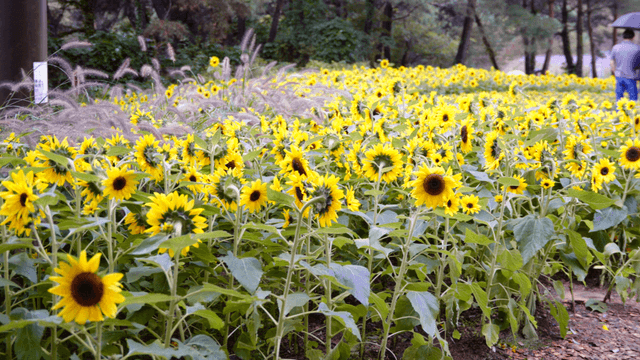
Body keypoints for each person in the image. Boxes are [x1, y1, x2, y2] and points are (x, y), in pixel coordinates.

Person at [610, 29, 640, 102]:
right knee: (633, 99)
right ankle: (633, 113)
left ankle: (618, 113)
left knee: (619, 99)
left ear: (623, 36)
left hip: (619, 76)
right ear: (633, 37)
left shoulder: (615, 47)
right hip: (631, 77)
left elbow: (611, 62)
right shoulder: (637, 48)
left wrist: (615, 72)